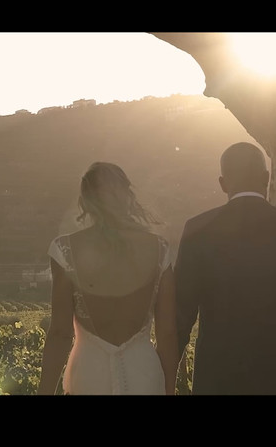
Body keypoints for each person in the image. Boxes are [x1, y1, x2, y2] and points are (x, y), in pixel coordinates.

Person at [174, 142, 276, 395]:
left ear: (223, 183)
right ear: (266, 178)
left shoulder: (197, 231)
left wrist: (162, 380)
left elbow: (179, 319)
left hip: (218, 380)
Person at [37, 162, 178, 395]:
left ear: (85, 201)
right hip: (144, 373)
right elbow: (168, 333)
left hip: (89, 374)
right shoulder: (159, 249)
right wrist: (169, 388)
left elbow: (60, 333)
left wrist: (44, 391)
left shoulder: (65, 249)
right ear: (127, 196)